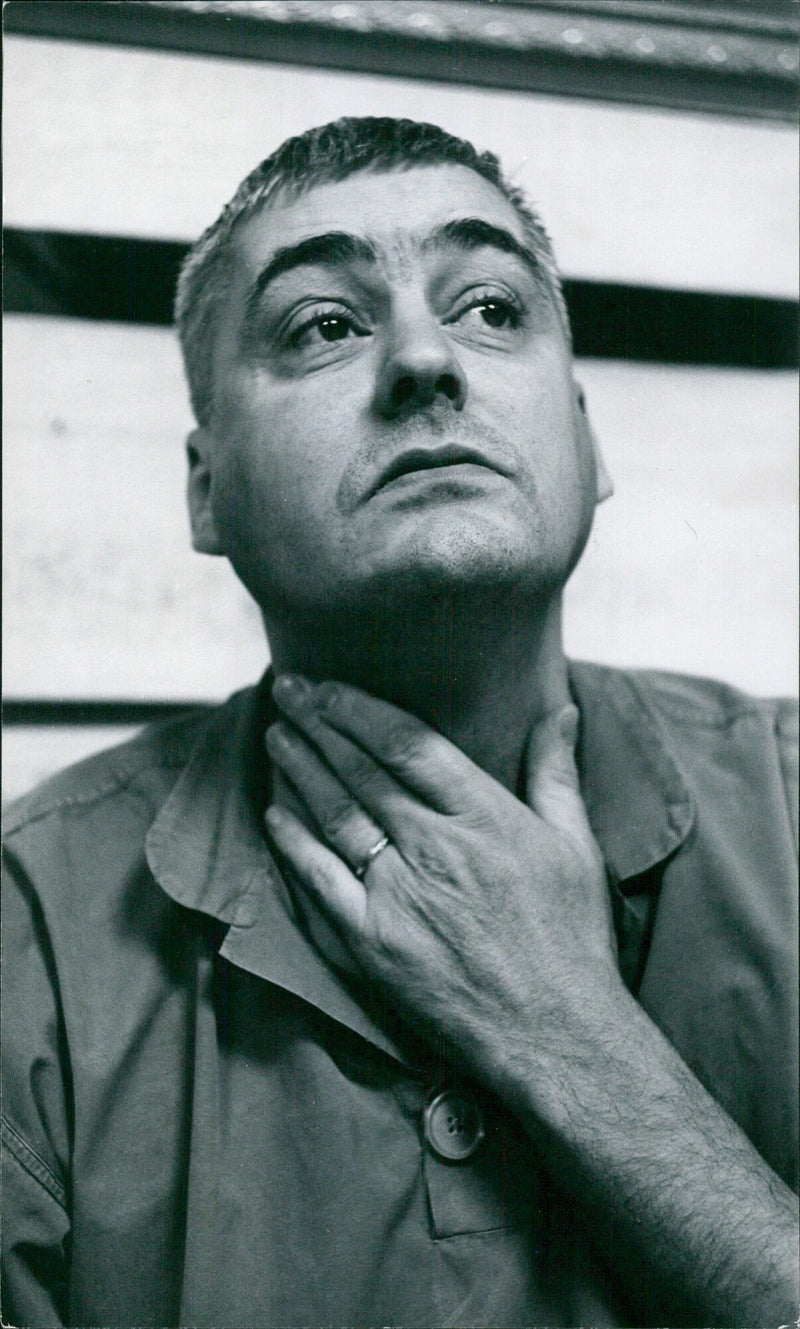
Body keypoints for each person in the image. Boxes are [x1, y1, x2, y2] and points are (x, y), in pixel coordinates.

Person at [2, 117, 797, 1329]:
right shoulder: (32, 929)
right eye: (325, 324)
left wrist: (570, 1035)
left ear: (585, 441)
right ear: (204, 490)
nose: (426, 360)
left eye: (488, 307)